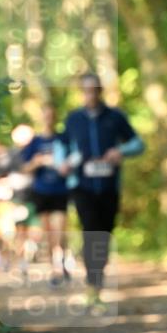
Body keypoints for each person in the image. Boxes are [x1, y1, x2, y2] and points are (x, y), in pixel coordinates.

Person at [62, 73, 145, 308]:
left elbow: (138, 144)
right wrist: (65, 163)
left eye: (94, 90)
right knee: (90, 231)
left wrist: (121, 152)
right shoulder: (73, 119)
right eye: (86, 90)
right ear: (81, 92)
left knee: (104, 234)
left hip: (109, 187)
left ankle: (97, 278)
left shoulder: (115, 117)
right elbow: (63, 148)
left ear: (100, 91)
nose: (91, 95)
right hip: (83, 187)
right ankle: (92, 284)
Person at [21, 103, 71, 285]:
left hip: (61, 191)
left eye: (52, 115)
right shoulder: (35, 142)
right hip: (41, 192)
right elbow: (25, 167)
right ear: (41, 117)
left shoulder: (63, 139)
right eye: (46, 115)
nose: (49, 119)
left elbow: (73, 160)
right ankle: (56, 266)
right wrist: (38, 161)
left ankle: (60, 264)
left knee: (59, 230)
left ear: (55, 117)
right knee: (49, 233)